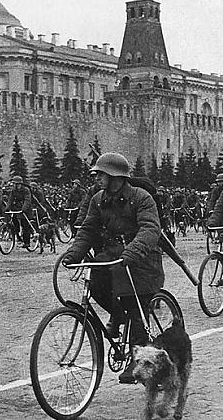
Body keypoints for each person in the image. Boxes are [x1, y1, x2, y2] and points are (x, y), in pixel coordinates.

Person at [61, 153, 164, 384]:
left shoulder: (141, 198)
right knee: (95, 282)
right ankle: (118, 314)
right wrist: (74, 253)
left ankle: (138, 360)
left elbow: (150, 230)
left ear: (115, 176)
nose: (96, 178)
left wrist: (133, 252)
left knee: (134, 305)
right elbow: (88, 229)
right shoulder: (98, 199)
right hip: (112, 256)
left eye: (100, 174)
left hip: (142, 261)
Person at [4, 176, 32, 248]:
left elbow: (27, 200)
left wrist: (24, 209)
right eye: (14, 184)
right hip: (16, 208)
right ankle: (18, 236)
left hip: (25, 209)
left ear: (21, 184)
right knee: (14, 222)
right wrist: (7, 208)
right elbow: (10, 200)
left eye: (17, 184)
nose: (16, 185)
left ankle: (27, 242)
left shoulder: (26, 190)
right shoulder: (13, 191)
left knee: (25, 225)